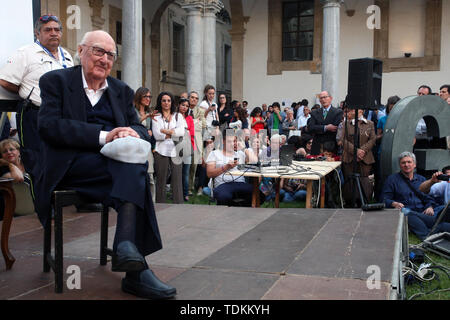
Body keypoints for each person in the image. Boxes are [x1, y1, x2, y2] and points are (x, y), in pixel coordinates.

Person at [36, 30, 175, 299]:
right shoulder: (55, 81)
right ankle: (134, 267)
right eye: (98, 51)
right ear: (81, 50)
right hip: (69, 167)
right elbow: (49, 126)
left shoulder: (121, 91)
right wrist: (105, 135)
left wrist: (131, 133)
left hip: (109, 171)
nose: (104, 59)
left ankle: (128, 252)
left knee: (132, 164)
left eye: (110, 54)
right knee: (135, 172)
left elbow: (140, 127)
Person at [0, 15, 74, 185]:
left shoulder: (67, 56)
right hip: (35, 114)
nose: (53, 33)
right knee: (37, 162)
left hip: (62, 117)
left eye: (57, 30)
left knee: (62, 159)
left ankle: (60, 202)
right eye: (48, 30)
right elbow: (4, 80)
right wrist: (26, 92)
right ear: (37, 33)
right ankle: (43, 208)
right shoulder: (26, 53)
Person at [380, 152, 450, 240]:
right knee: (405, 212)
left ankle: (437, 229)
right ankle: (426, 236)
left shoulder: (421, 179)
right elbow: (384, 199)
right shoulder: (392, 180)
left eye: (409, 162)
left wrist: (430, 206)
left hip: (424, 213)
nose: (406, 165)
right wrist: (394, 203)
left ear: (414, 165)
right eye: (403, 162)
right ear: (400, 165)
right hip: (408, 213)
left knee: (443, 209)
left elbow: (429, 198)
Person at [152, 92, 185, 204]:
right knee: (161, 178)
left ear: (172, 102)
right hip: (160, 150)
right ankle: (160, 204)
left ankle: (179, 204)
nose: (166, 103)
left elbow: (181, 132)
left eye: (169, 100)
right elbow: (157, 135)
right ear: (160, 102)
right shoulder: (156, 116)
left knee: (177, 178)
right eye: (164, 100)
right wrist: (173, 132)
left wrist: (165, 132)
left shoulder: (178, 116)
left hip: (176, 149)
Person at [206, 129, 253, 206]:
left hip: (240, 183)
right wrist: (226, 167)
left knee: (258, 194)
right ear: (223, 141)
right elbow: (209, 173)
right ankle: (235, 208)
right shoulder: (215, 153)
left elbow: (254, 160)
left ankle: (239, 208)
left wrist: (244, 148)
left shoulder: (240, 153)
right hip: (223, 184)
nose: (232, 144)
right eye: (229, 141)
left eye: (234, 141)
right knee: (224, 196)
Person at [340, 109, 376, 204]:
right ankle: (350, 201)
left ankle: (364, 200)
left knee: (364, 179)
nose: (350, 112)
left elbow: (372, 139)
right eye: (350, 110)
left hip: (366, 158)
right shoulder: (345, 124)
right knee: (349, 179)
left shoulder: (370, 124)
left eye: (352, 110)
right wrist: (355, 151)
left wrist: (362, 151)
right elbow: (343, 140)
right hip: (349, 157)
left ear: (361, 111)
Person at [307, 91, 343, 155]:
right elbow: (311, 127)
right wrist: (325, 127)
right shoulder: (314, 112)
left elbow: (334, 128)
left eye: (325, 97)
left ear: (330, 98)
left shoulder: (338, 112)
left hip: (331, 145)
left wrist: (318, 127)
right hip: (317, 145)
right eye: (321, 98)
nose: (323, 100)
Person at [187, 91, 206, 195]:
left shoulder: (200, 111)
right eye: (192, 97)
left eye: (196, 98)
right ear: (189, 98)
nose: (194, 99)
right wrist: (195, 121)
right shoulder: (184, 109)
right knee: (184, 166)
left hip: (196, 141)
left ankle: (190, 188)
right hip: (184, 140)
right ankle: (181, 187)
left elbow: (203, 125)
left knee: (193, 167)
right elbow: (184, 124)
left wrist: (190, 123)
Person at [177, 98, 195, 202]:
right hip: (176, 147)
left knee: (186, 172)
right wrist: (184, 130)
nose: (184, 107)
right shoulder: (174, 116)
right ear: (179, 105)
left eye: (186, 106)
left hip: (187, 147)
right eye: (183, 105)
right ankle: (177, 192)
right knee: (177, 172)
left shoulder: (189, 118)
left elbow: (191, 133)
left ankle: (185, 193)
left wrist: (183, 131)